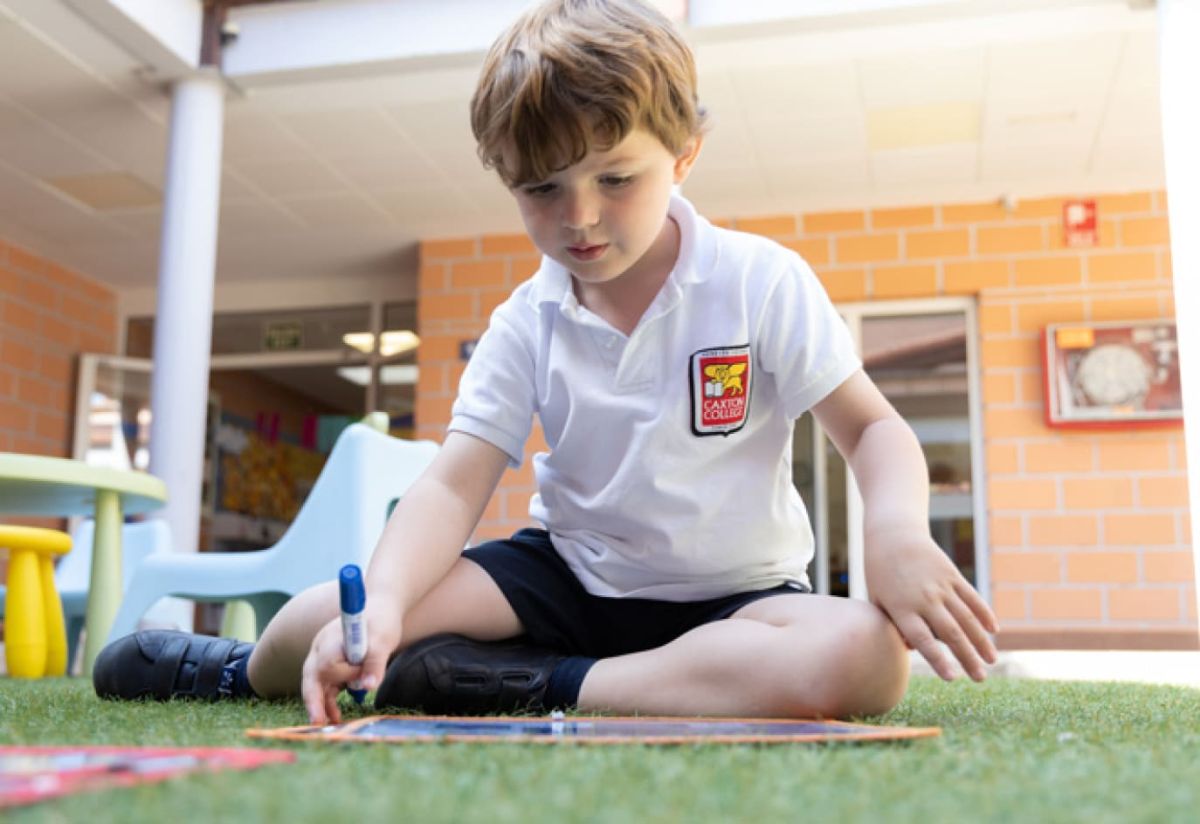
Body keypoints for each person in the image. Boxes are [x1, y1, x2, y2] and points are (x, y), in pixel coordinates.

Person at [94, 0, 998, 724]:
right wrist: (392, 609)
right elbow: (454, 485)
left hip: (737, 595)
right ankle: (233, 673)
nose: (581, 218)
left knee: (868, 662)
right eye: (541, 189)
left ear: (684, 155)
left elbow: (872, 428)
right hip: (564, 575)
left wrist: (895, 536)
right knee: (322, 622)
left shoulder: (761, 281)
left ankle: (540, 687)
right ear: (506, 178)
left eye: (616, 178)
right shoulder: (526, 316)